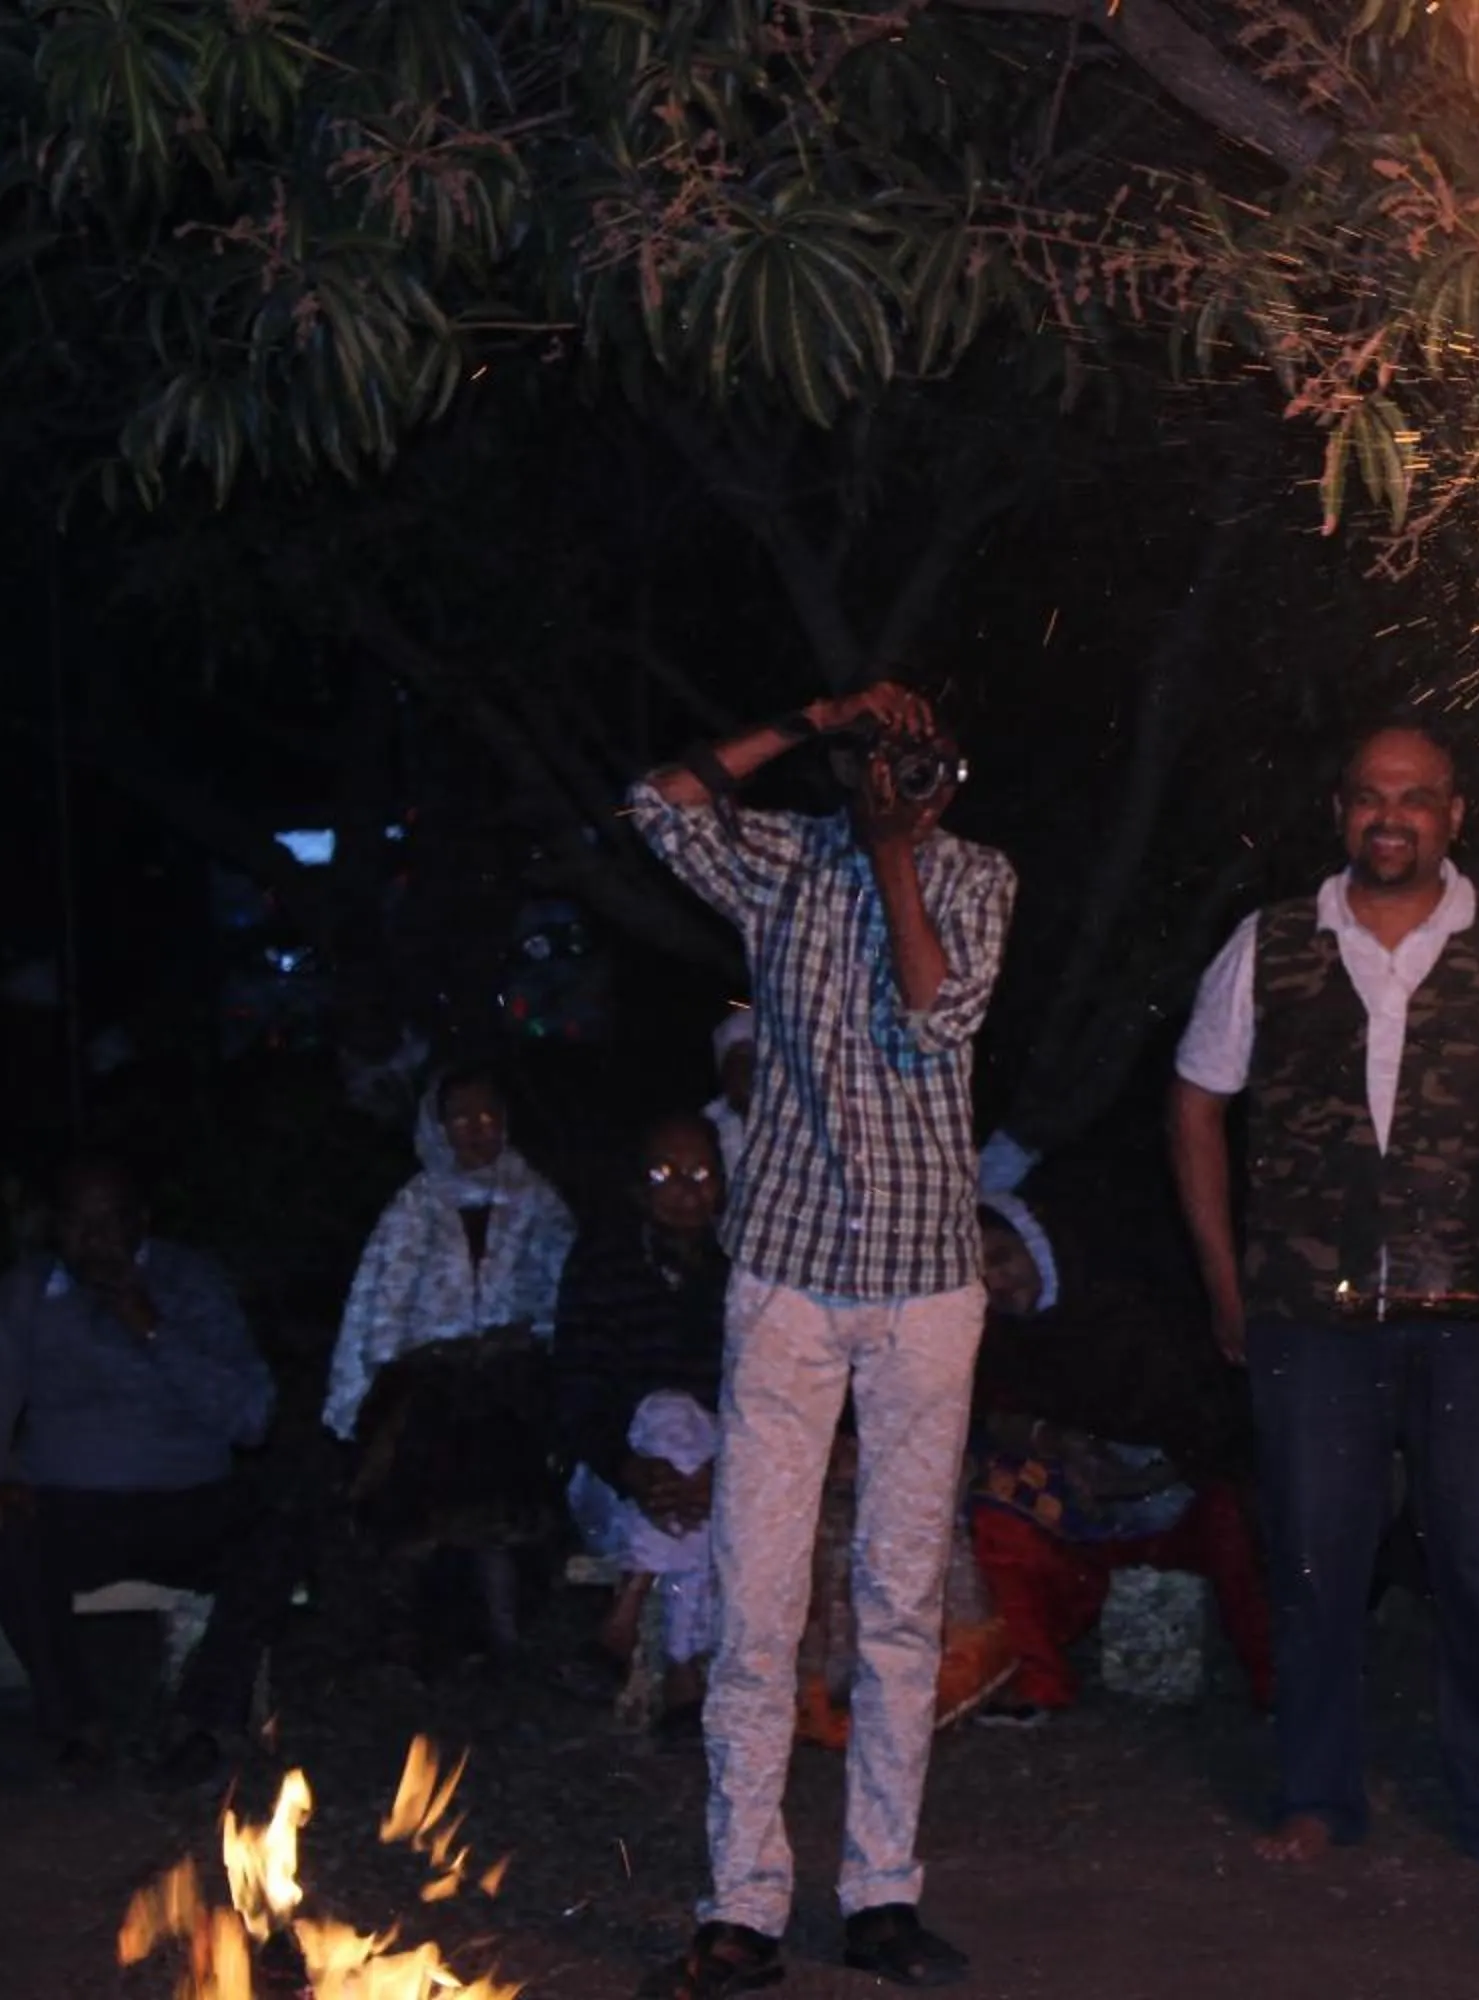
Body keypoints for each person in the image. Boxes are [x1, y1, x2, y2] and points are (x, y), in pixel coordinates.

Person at [1169, 719, 1479, 1880]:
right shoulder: (1269, 942)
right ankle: (1317, 1791)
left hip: (1473, 1310)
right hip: (1308, 1312)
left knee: (1478, 1551)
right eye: (1371, 796)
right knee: (1318, 1554)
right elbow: (1194, 1105)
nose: (1392, 817)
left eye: (1416, 797)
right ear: (1340, 810)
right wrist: (1229, 1280)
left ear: (1454, 813)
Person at [630, 681, 1015, 1996]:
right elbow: (659, 801)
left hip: (923, 1286)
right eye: (887, 759)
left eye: (926, 762)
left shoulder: (978, 876)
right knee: (756, 1597)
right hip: (789, 1275)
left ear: (954, 777)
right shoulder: (784, 860)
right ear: (856, 765)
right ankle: (739, 1901)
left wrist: (897, 847)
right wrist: (814, 713)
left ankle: (881, 1895)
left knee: (899, 1601)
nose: (908, 778)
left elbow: (937, 1012)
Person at [0, 1156, 287, 1784]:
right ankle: (78, 1725)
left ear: (142, 1222)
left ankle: (203, 1718)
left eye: (110, 1222)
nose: (94, 1240)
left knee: (276, 1529)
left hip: (188, 1496)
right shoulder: (27, 1292)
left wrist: (155, 1332)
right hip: (71, 1502)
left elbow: (251, 1417)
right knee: (4, 1537)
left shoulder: (191, 1283)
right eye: (79, 1223)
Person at [964, 1192, 1272, 1722]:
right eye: (978, 1274)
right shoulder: (998, 1335)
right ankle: (1038, 1681)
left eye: (1001, 1258)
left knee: (1239, 1508)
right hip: (1090, 1519)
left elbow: (1213, 1415)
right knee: (998, 1506)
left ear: (1033, 1243)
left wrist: (1140, 1478)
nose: (996, 1282)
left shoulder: (1125, 1302)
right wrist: (1058, 1444)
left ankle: (1275, 1684)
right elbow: (989, 1415)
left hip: (1179, 1496)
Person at [553, 1113, 733, 1719]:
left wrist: (720, 1471)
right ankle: (683, 1669)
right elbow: (577, 1392)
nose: (686, 1189)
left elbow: (761, 1395)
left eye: (701, 1173)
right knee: (664, 1413)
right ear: (637, 1187)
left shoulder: (741, 1273)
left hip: (713, 1481)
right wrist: (631, 1468)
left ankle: (623, 1621)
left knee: (683, 1425)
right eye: (665, 1173)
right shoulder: (603, 1264)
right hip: (619, 1487)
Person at [321, 1067, 576, 1440]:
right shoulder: (415, 1203)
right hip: (430, 1384)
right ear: (440, 1127)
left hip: (516, 1380)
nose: (477, 1128)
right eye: (461, 1117)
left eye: (488, 1115)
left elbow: (563, 1290)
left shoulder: (536, 1198)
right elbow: (386, 1304)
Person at [703, 1010, 756, 1169]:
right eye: (738, 1059)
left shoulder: (799, 1126)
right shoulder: (707, 1129)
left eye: (753, 1059)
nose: (746, 1070)